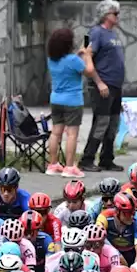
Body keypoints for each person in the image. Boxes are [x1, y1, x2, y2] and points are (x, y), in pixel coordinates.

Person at [79, 0, 125, 174]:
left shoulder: (113, 33)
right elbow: (88, 56)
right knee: (102, 122)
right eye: (115, 13)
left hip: (115, 85)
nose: (118, 16)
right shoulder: (97, 33)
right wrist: (98, 82)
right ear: (106, 15)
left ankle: (107, 158)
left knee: (113, 122)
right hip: (103, 85)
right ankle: (87, 158)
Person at [45, 28, 94, 178]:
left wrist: (78, 56)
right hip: (72, 101)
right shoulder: (73, 61)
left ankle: (53, 164)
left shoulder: (51, 60)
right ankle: (70, 166)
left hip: (56, 99)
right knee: (72, 134)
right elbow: (89, 71)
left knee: (55, 132)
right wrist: (87, 56)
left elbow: (67, 63)